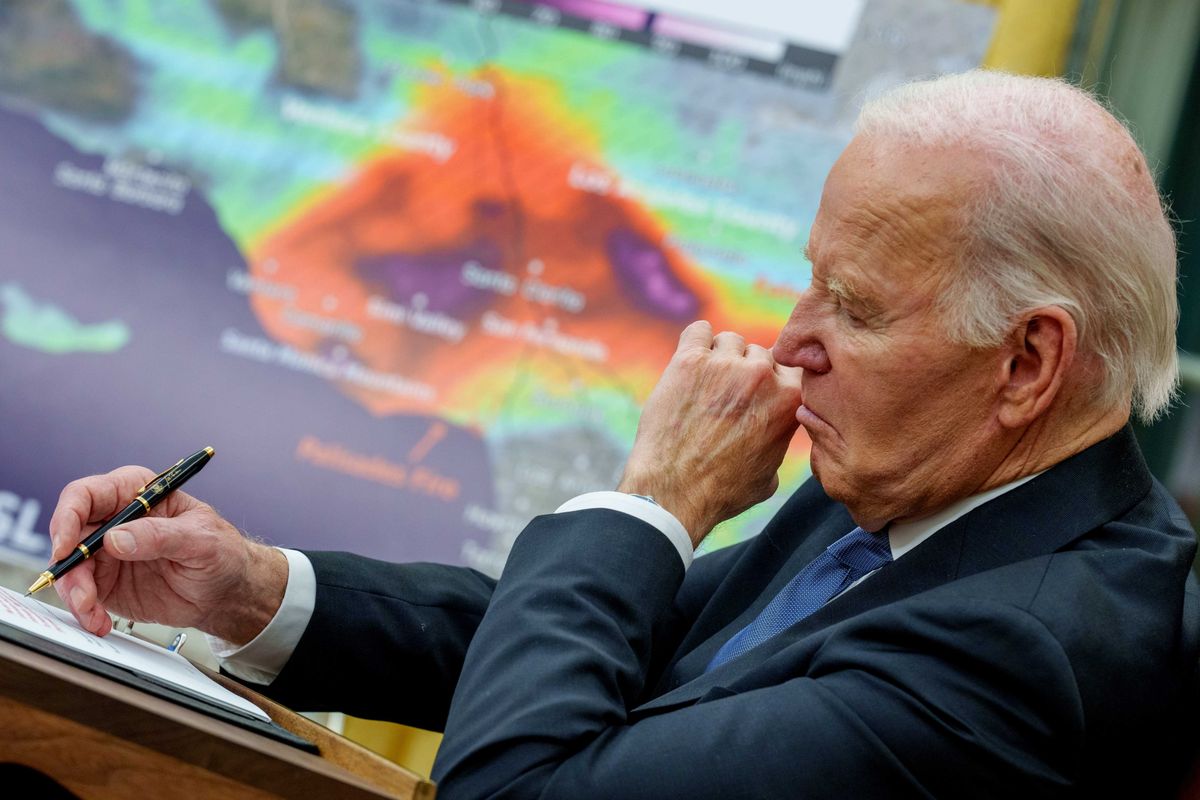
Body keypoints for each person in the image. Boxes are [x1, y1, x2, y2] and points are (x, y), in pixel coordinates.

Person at [48, 71, 1198, 798]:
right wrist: (250, 590)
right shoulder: (928, 497)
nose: (790, 343)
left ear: (1027, 362)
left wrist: (658, 496)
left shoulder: (1024, 655)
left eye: (855, 308)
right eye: (810, 286)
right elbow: (588, 655)